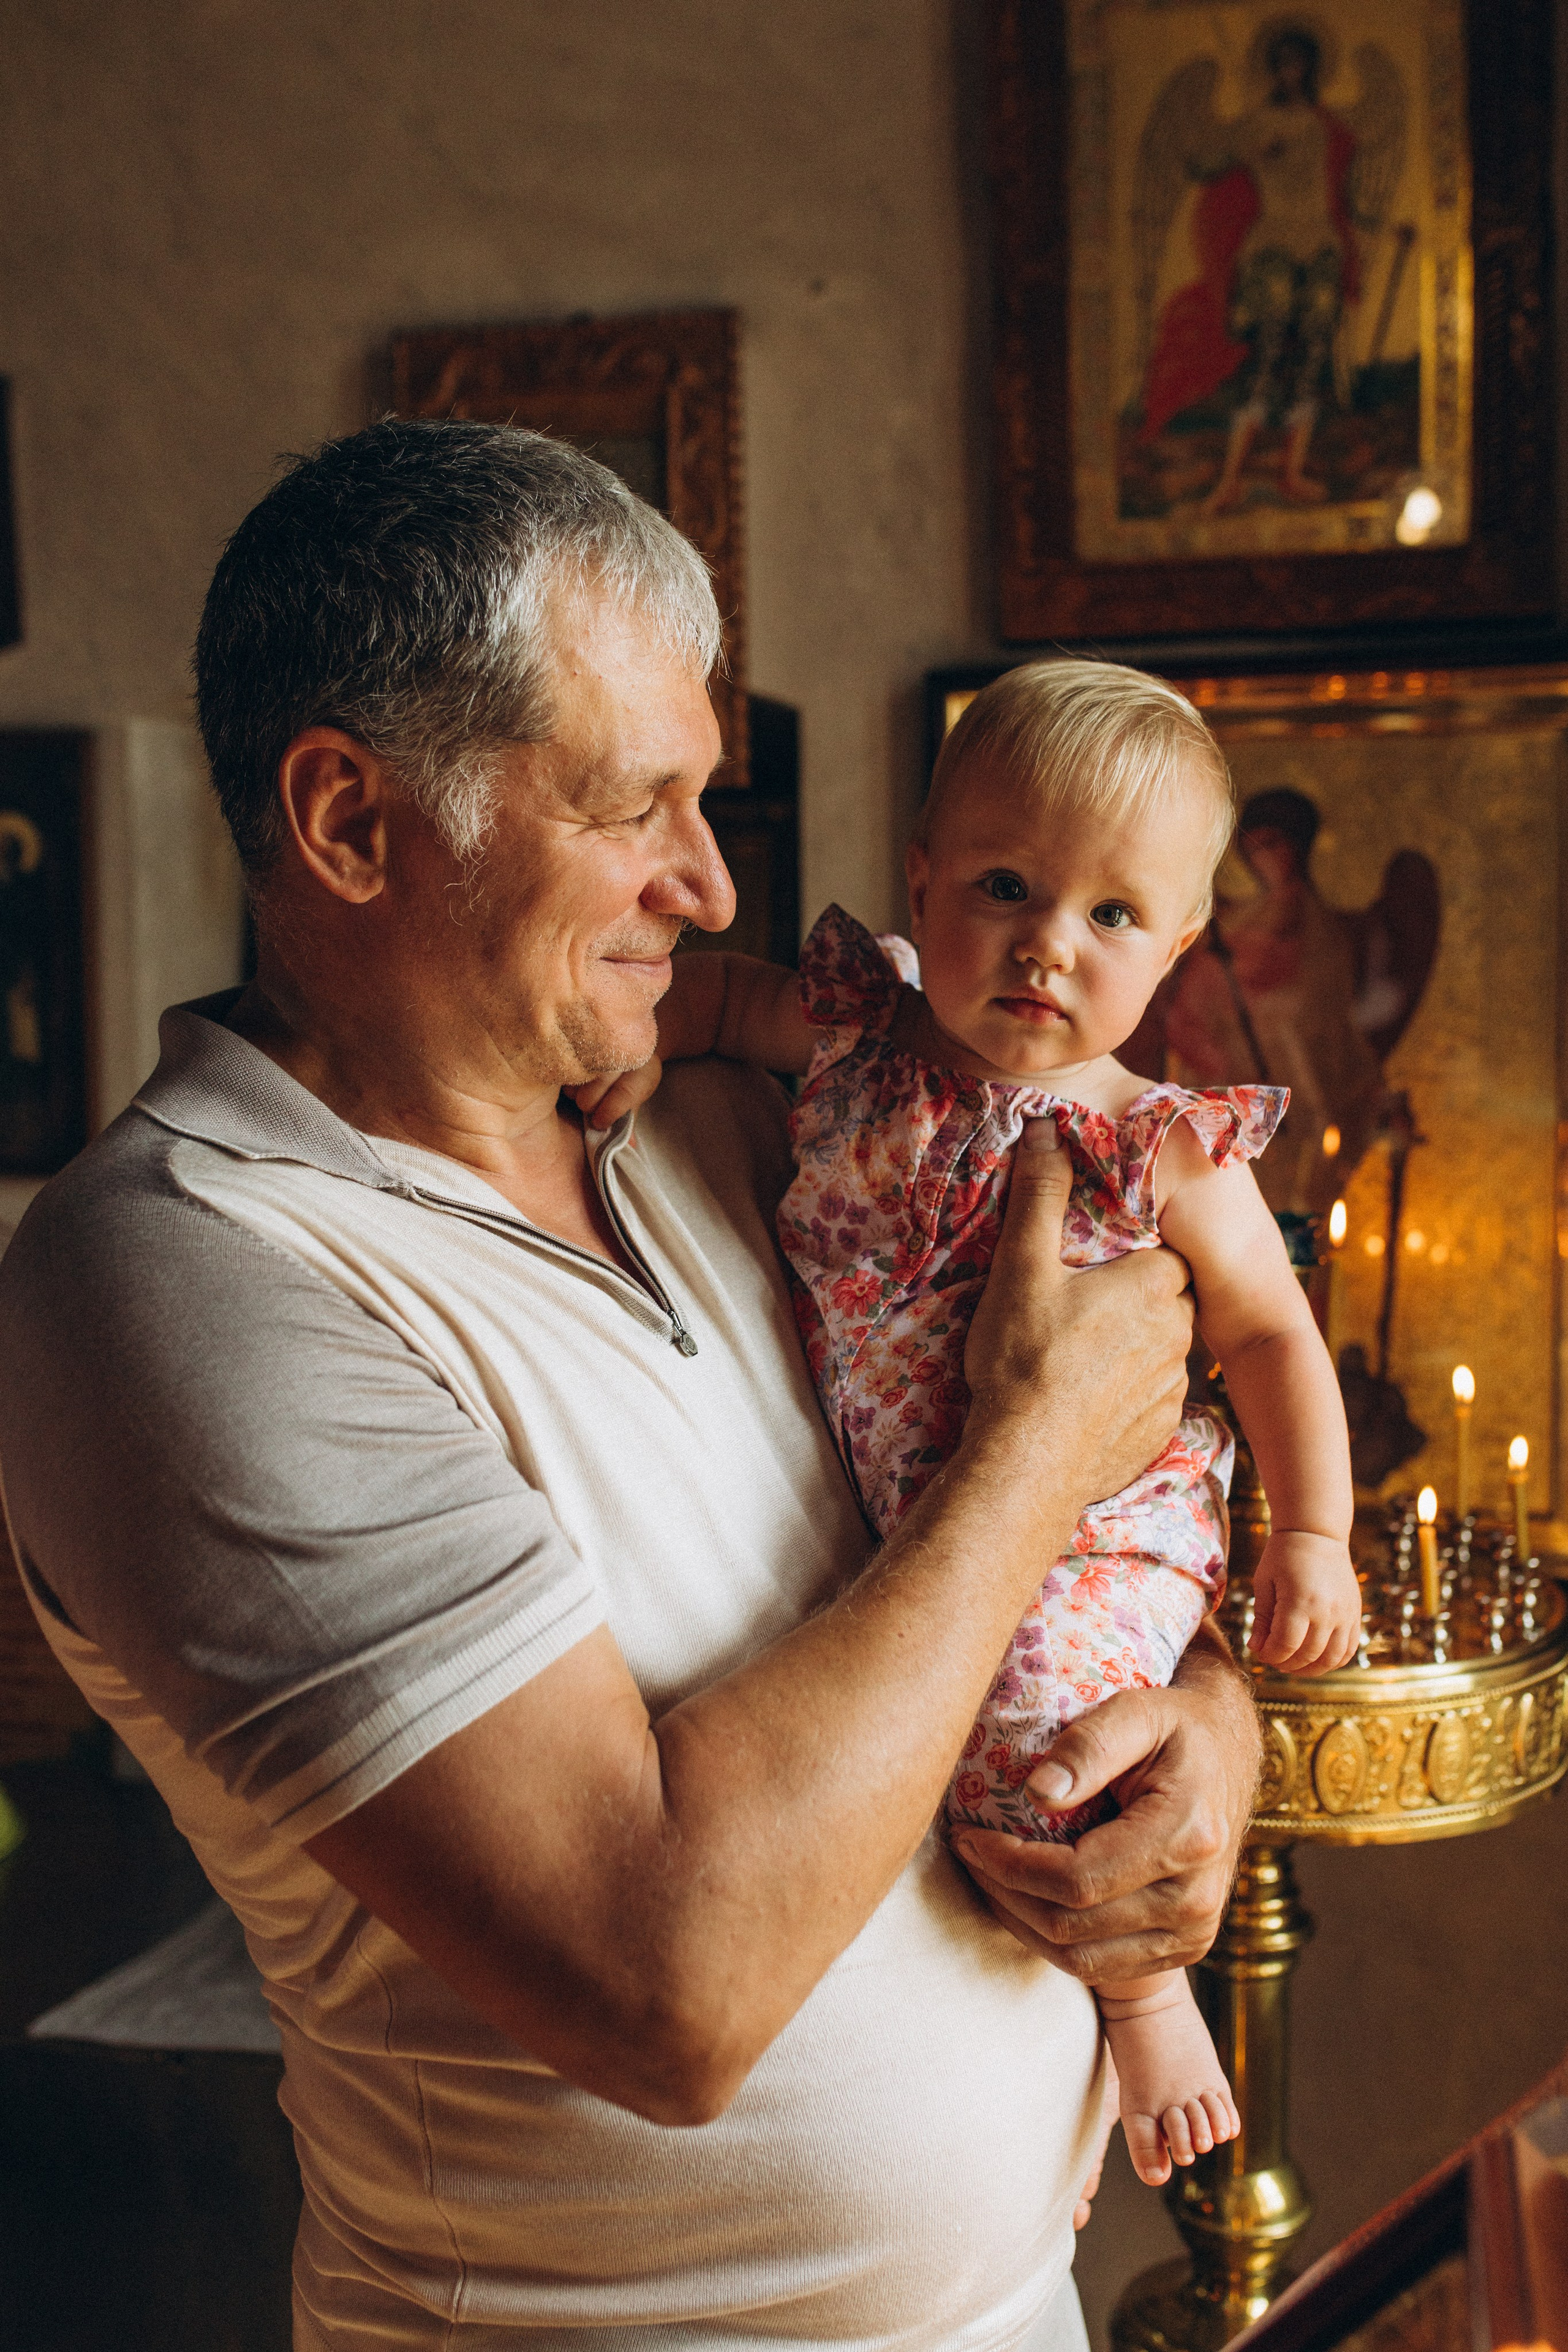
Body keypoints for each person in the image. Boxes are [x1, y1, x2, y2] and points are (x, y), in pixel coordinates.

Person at [0, 423, 1262, 2352]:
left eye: (708, 803)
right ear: (349, 824)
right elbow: (666, 1980)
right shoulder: (176, 1281)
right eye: (635, 807)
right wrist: (1035, 1454)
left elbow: (1079, 1509)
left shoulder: (743, 1128)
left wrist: (1209, 1727)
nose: (702, 882)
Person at [582, 660, 1360, 2190]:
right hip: (936, 1506)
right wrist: (635, 1037)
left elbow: (1270, 1332)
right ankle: (1059, 2086)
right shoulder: (860, 1049)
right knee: (938, 1716)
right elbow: (723, 998)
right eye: (1005, 885)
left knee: (1031, 1728)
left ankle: (1138, 2002)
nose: (1047, 946)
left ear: (1182, 946)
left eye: (1112, 917)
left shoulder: (1157, 1150)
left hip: (1094, 1529)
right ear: (921, 876)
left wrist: (1313, 1531)